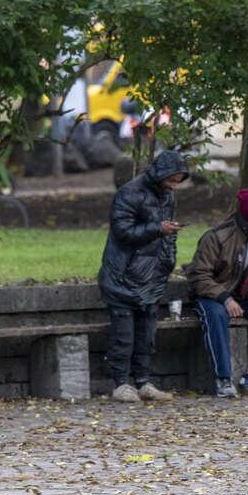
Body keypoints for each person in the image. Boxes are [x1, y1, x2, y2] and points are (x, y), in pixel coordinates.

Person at [97, 149, 189, 402]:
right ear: (161, 175)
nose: (174, 187)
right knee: (123, 333)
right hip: (123, 274)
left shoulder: (168, 196)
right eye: (171, 181)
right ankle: (120, 383)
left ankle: (143, 381)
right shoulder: (129, 193)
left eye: (177, 182)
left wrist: (168, 260)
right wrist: (157, 229)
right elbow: (122, 231)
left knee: (146, 333)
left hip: (152, 274)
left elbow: (169, 233)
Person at [186, 189, 248, 398]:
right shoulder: (217, 237)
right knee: (216, 315)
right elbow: (199, 276)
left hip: (243, 299)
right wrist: (225, 298)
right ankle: (223, 379)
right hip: (212, 297)